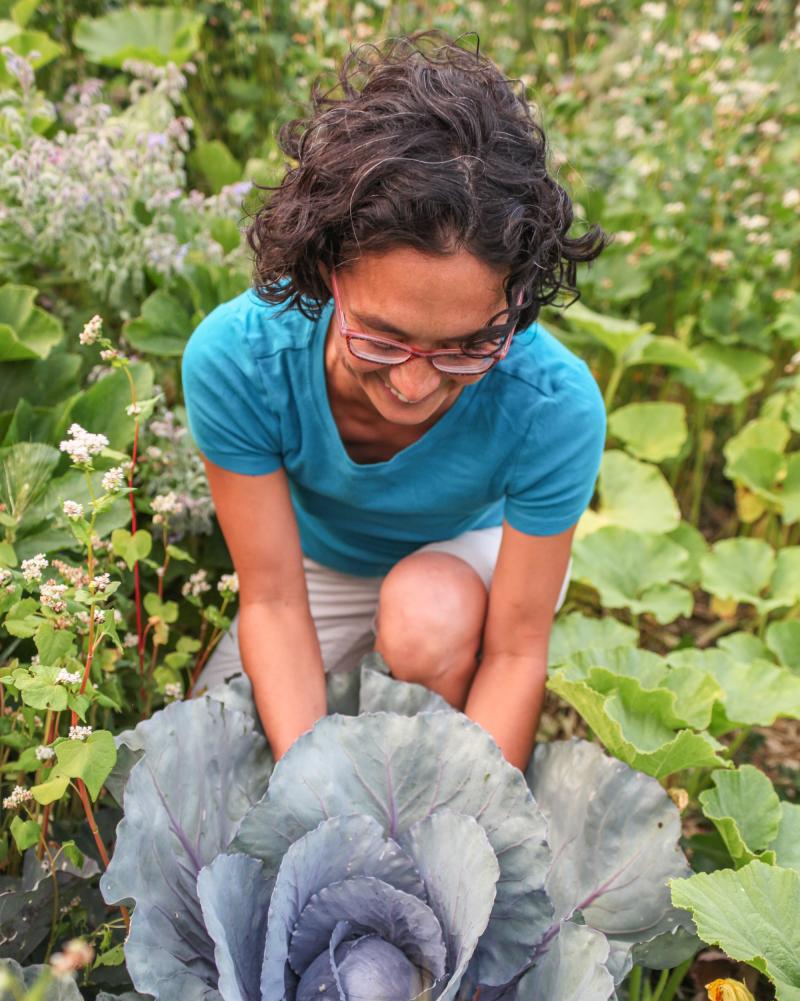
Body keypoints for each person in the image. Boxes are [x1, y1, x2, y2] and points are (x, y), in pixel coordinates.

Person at [182, 32, 607, 771]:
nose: (413, 385)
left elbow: (515, 650)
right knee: (210, 749)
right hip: (317, 566)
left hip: (475, 556)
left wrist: (472, 830)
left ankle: (432, 739)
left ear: (516, 301)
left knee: (424, 616)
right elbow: (275, 601)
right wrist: (306, 790)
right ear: (328, 271)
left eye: (467, 346)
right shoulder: (239, 361)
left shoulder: (553, 405)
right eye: (381, 340)